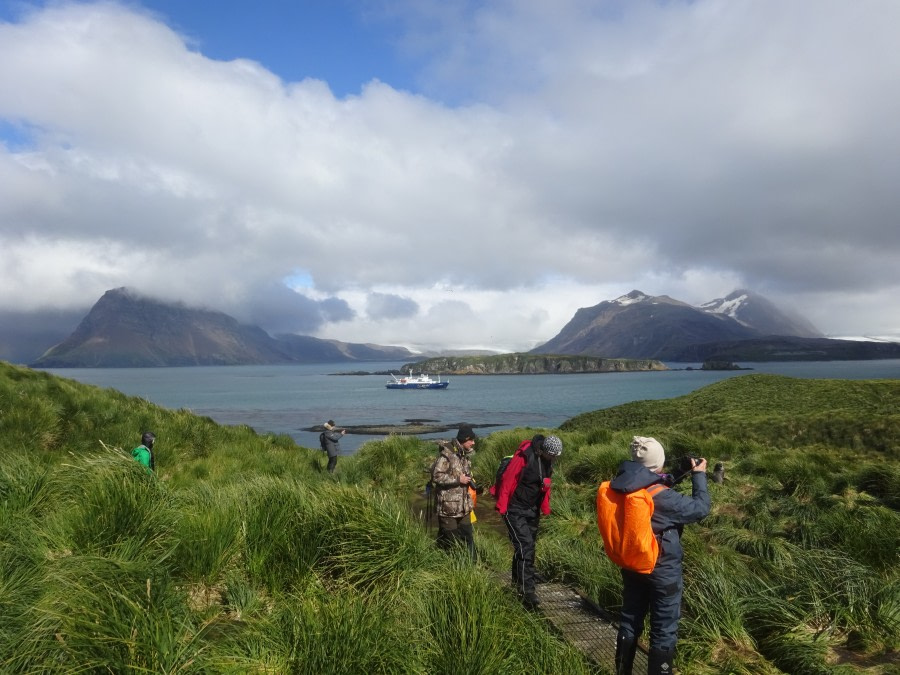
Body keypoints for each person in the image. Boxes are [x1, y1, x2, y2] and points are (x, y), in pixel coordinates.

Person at [612, 436, 710, 675]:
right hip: (662, 569)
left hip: (633, 564)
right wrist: (699, 475)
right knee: (663, 631)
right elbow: (700, 508)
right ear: (659, 461)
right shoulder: (661, 496)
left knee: (630, 619)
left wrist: (680, 472)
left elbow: (657, 484)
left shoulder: (623, 483)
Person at [495, 433, 563, 608]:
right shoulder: (525, 457)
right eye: (552, 456)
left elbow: (545, 485)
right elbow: (507, 481)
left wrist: (545, 508)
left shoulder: (547, 461)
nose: (554, 460)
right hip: (514, 509)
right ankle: (528, 593)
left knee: (526, 548)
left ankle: (517, 586)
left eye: (556, 457)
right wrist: (502, 507)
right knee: (525, 547)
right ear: (545, 451)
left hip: (531, 511)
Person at [431, 424, 478, 560]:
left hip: (463, 507)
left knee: (468, 538)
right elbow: (437, 476)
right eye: (472, 440)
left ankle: (472, 568)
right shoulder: (447, 455)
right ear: (465, 439)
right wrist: (458, 479)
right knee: (451, 543)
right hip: (448, 509)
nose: (474, 443)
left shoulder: (464, 454)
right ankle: (450, 568)